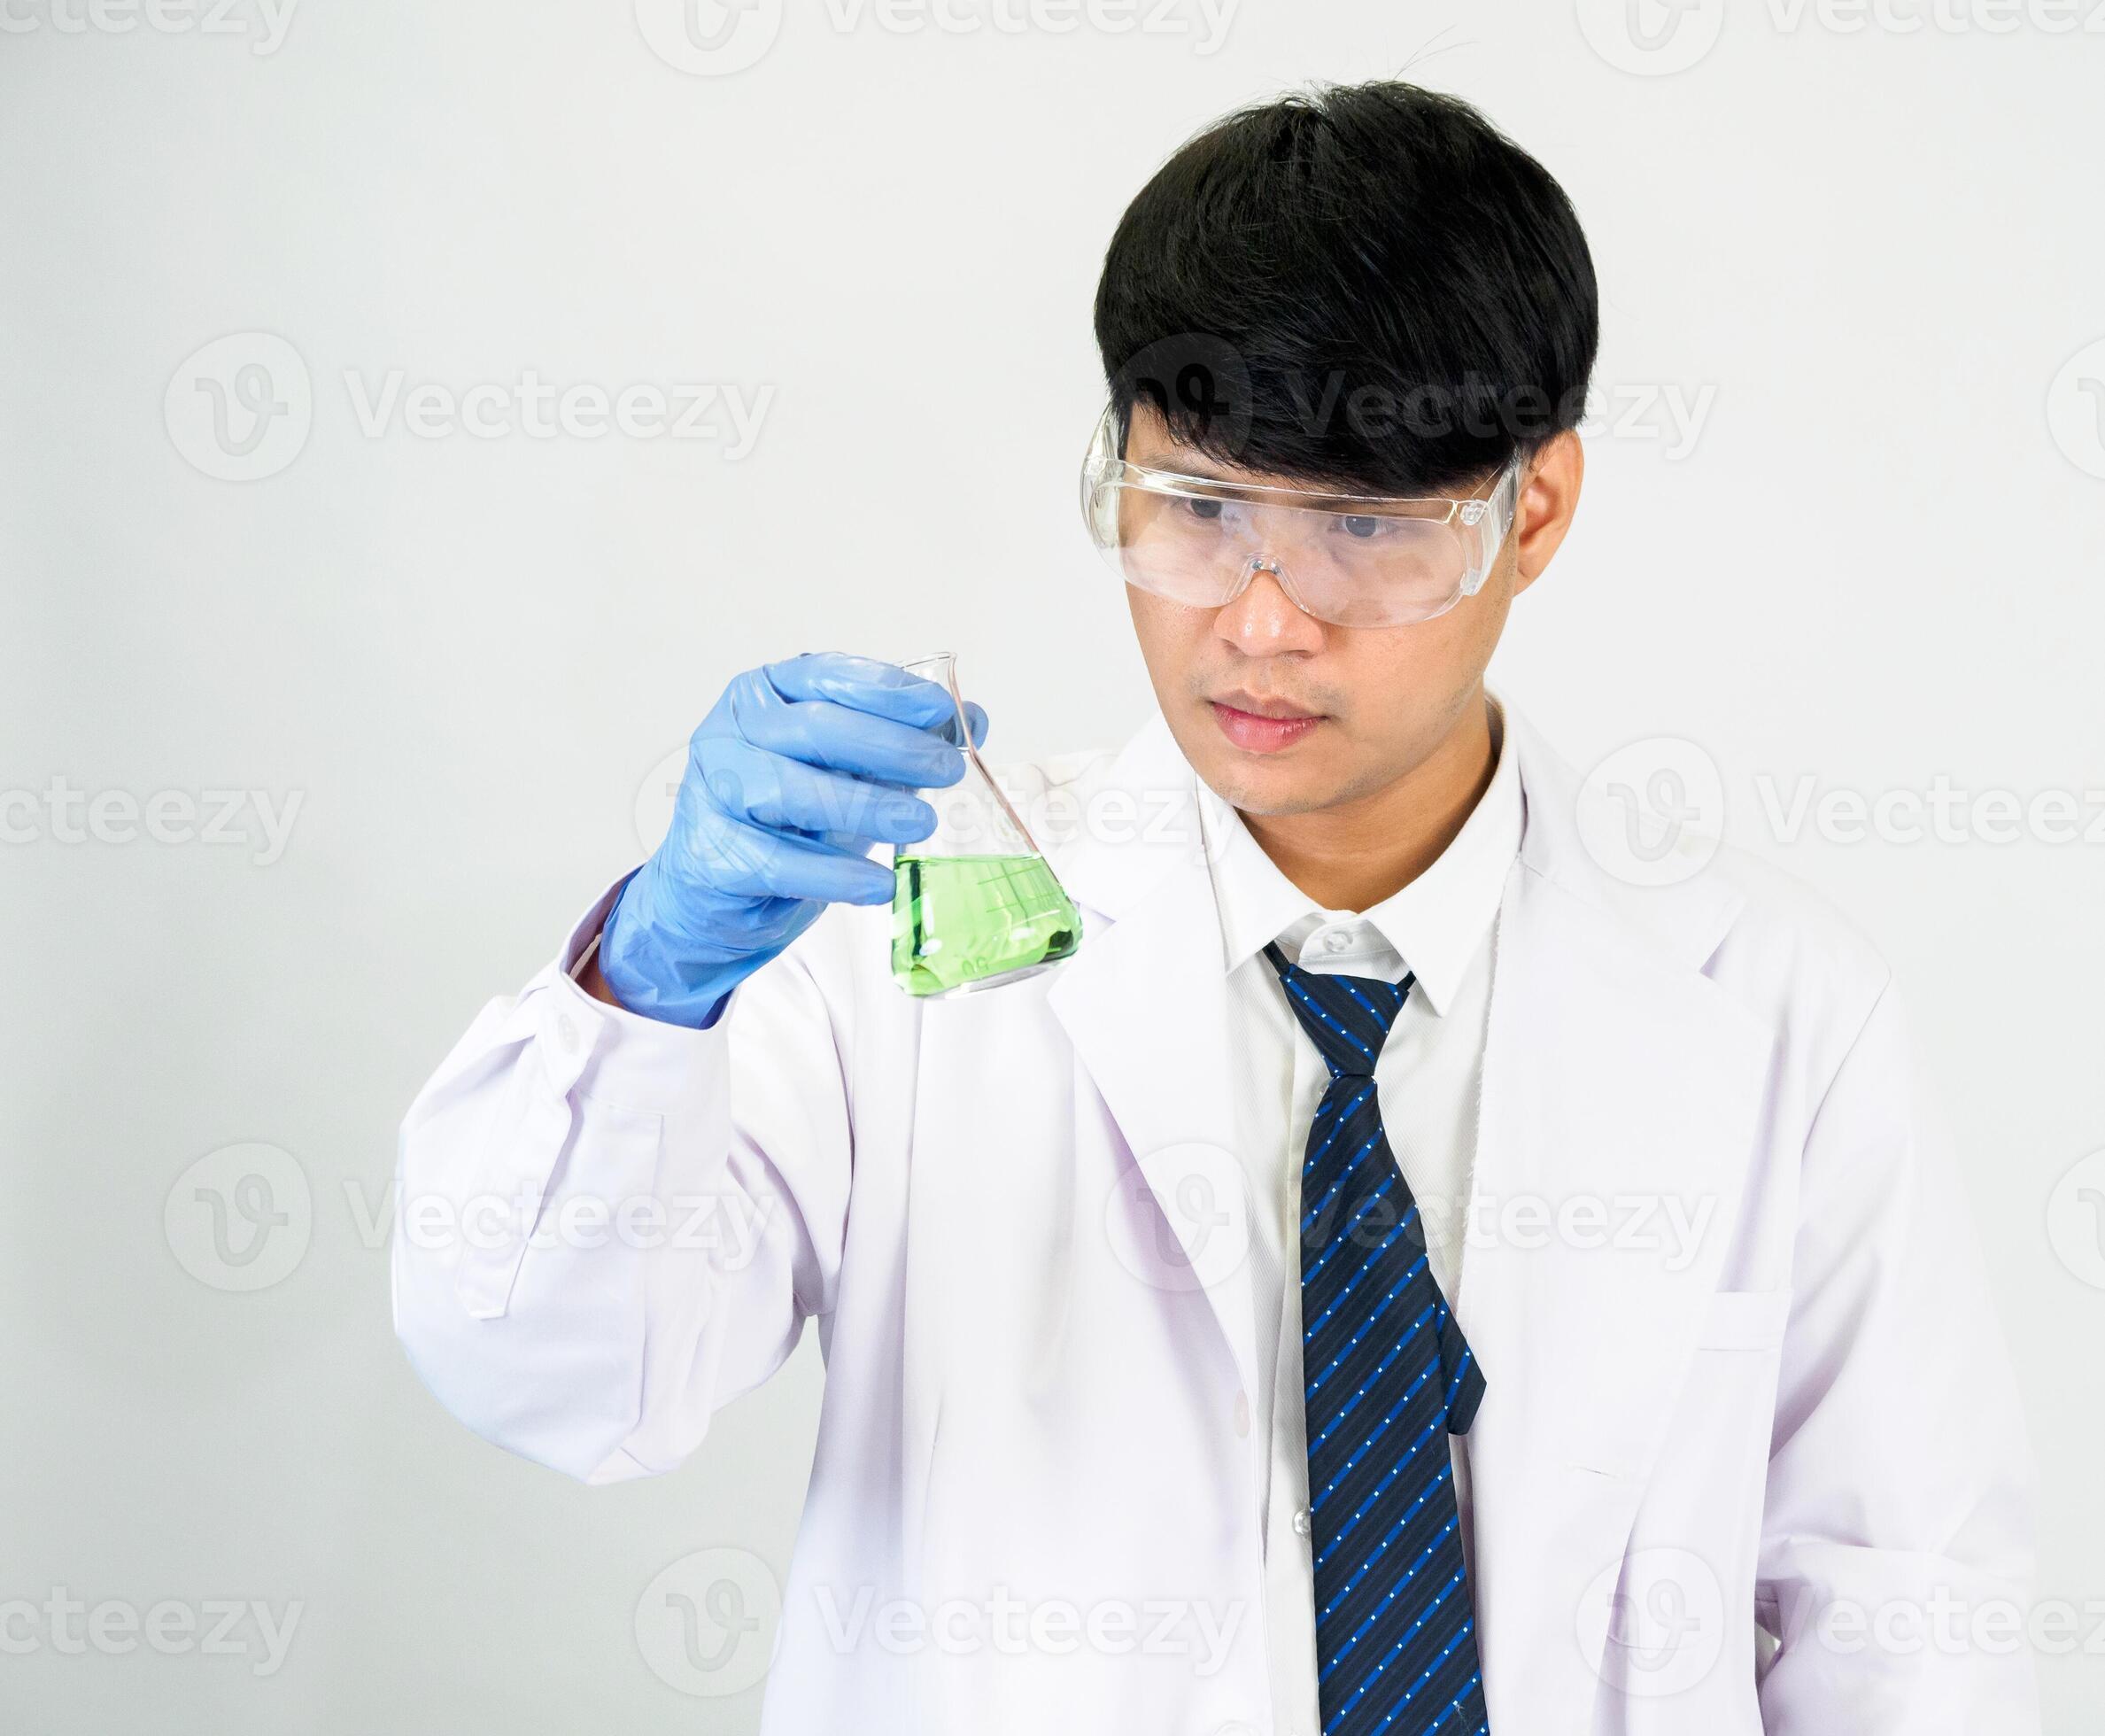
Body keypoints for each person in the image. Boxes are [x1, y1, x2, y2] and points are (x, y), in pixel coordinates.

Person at [391, 80, 2037, 1736]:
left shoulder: (1776, 1011)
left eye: (1364, 533)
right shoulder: (907, 953)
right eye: (1195, 512)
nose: (1258, 623)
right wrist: (646, 993)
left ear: (1531, 511)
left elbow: (1904, 1620)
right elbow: (553, 1374)